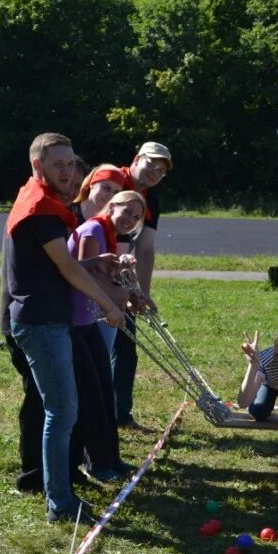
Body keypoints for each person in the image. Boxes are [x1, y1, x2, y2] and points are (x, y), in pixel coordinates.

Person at [1, 132, 125, 525]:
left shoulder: (40, 196)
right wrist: (107, 304)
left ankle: (60, 491)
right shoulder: (40, 208)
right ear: (38, 166)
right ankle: (60, 503)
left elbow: (56, 267)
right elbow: (66, 268)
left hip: (48, 319)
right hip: (41, 324)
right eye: (59, 164)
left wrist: (94, 264)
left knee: (62, 409)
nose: (68, 170)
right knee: (62, 411)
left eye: (71, 163)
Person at [66, 190, 144, 482]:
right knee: (93, 393)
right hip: (77, 321)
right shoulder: (94, 230)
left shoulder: (107, 233)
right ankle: (96, 462)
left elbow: (104, 276)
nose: (129, 220)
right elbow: (86, 279)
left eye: (135, 217)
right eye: (126, 211)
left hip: (89, 319)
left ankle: (109, 458)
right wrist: (123, 300)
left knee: (103, 388)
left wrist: (132, 293)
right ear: (111, 206)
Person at [112, 141, 172, 427]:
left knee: (126, 347)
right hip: (92, 271)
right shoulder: (110, 179)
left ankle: (119, 413)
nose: (155, 172)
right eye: (152, 163)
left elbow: (145, 249)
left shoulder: (152, 201)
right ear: (137, 159)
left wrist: (141, 293)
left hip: (120, 275)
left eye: (162, 170)